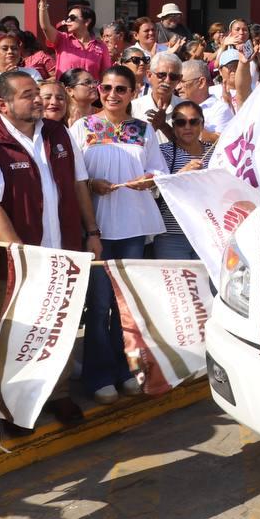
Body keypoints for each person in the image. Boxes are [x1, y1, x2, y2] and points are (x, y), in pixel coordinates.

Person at [0, 71, 98, 425]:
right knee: (14, 335)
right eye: (27, 95)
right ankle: (10, 406)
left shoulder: (58, 133)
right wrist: (20, 255)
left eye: (37, 93)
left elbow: (79, 183)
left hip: (64, 253)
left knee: (60, 327)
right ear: (3, 104)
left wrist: (92, 232)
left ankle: (60, 393)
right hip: (17, 264)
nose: (38, 99)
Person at [69, 65, 166, 405]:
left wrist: (148, 178)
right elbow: (75, 178)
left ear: (132, 91)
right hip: (98, 227)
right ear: (99, 89)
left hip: (133, 227)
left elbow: (159, 171)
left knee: (122, 304)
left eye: (121, 89)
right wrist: (93, 185)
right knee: (97, 305)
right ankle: (98, 375)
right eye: (107, 87)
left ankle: (123, 369)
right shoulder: (82, 127)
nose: (112, 94)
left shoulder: (143, 129)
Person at [154, 101, 212, 261]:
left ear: (202, 124)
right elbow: (154, 186)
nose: (187, 127)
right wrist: (181, 173)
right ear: (173, 126)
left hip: (209, 236)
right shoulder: (163, 151)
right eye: (181, 122)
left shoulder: (215, 152)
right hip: (171, 236)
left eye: (193, 122)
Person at [38, 0, 111, 78]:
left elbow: (106, 75)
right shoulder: (62, 39)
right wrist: (43, 1)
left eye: (72, 18)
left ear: (87, 22)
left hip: (90, 91)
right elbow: (45, 27)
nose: (68, 21)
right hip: (65, 91)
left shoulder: (101, 46)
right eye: (67, 18)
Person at [177, 58, 231, 135]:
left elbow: (223, 143)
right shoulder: (176, 106)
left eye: (182, 82)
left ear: (201, 82)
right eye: (177, 82)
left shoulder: (220, 109)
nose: (177, 87)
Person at [132, 51, 181, 134]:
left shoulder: (188, 109)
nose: (167, 80)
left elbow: (191, 144)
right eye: (161, 75)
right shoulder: (133, 108)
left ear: (179, 79)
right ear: (149, 75)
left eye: (173, 77)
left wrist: (164, 127)